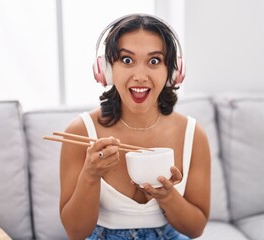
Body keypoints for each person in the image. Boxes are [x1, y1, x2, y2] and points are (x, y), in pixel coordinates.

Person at [59, 13, 211, 240]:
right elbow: (75, 232)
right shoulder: (79, 132)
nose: (140, 76)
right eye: (127, 60)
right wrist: (90, 175)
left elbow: (195, 229)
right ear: (107, 70)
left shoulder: (193, 135)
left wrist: (168, 197)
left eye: (154, 61)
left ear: (172, 72)